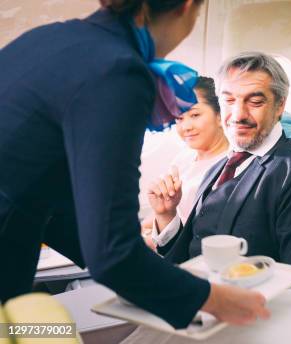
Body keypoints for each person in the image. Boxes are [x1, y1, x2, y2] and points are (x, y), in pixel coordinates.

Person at [0, 0, 269, 329]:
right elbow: (113, 256)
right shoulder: (117, 71)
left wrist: (128, 253)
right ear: (186, 7)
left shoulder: (48, 38)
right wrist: (212, 298)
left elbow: (45, 187)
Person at [149, 52, 291, 283]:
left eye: (255, 102)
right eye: (229, 100)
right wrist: (166, 214)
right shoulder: (221, 165)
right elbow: (188, 254)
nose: (238, 115)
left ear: (279, 106)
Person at [140, 76, 229, 249]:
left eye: (195, 115)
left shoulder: (229, 167)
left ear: (220, 116)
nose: (185, 126)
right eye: (179, 118)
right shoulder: (184, 157)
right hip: (167, 239)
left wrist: (145, 242)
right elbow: (167, 211)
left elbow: (195, 239)